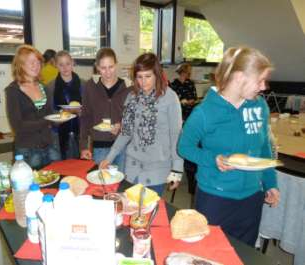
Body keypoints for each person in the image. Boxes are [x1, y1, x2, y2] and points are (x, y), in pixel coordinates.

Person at [178, 46, 280, 246]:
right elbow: (184, 147)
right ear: (240, 77)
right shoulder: (205, 112)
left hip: (252, 199)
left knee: (243, 254)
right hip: (215, 199)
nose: (263, 86)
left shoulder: (260, 106)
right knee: (208, 253)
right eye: (259, 80)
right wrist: (212, 160)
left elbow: (264, 148)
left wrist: (271, 183)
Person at [99, 53, 183, 196]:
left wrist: (177, 169)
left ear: (156, 74)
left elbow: (176, 135)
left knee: (148, 210)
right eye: (139, 77)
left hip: (157, 167)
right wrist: (109, 157)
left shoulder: (170, 97)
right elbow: (126, 132)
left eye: (148, 76)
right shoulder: (132, 97)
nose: (143, 82)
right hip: (132, 166)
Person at [5, 44, 60, 169]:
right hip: (27, 150)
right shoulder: (13, 90)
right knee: (30, 187)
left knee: (56, 184)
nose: (36, 65)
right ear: (20, 65)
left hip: (50, 146)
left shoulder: (44, 87)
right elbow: (18, 126)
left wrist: (61, 117)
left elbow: (51, 115)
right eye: (31, 62)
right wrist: (47, 121)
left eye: (38, 62)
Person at [80, 48, 130, 171]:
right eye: (103, 68)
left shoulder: (128, 86)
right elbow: (85, 117)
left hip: (123, 145)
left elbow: (133, 117)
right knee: (101, 185)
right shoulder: (90, 86)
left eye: (111, 67)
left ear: (116, 65)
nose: (108, 72)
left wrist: (122, 125)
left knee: (121, 185)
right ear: (97, 67)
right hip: (100, 146)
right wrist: (83, 146)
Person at [170, 63, 198, 198]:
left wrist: (190, 101)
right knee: (177, 143)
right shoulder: (173, 85)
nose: (187, 75)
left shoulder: (190, 84)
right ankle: (177, 169)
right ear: (181, 72)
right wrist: (181, 102)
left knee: (190, 143)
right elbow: (171, 101)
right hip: (177, 117)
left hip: (189, 117)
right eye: (186, 72)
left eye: (188, 73)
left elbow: (194, 98)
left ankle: (189, 175)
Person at [47, 50, 82, 159]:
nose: (65, 67)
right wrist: (61, 114)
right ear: (56, 66)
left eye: (67, 63)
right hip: (58, 135)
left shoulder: (83, 84)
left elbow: (90, 109)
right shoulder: (50, 87)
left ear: (73, 63)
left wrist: (81, 112)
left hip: (79, 133)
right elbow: (48, 111)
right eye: (61, 64)